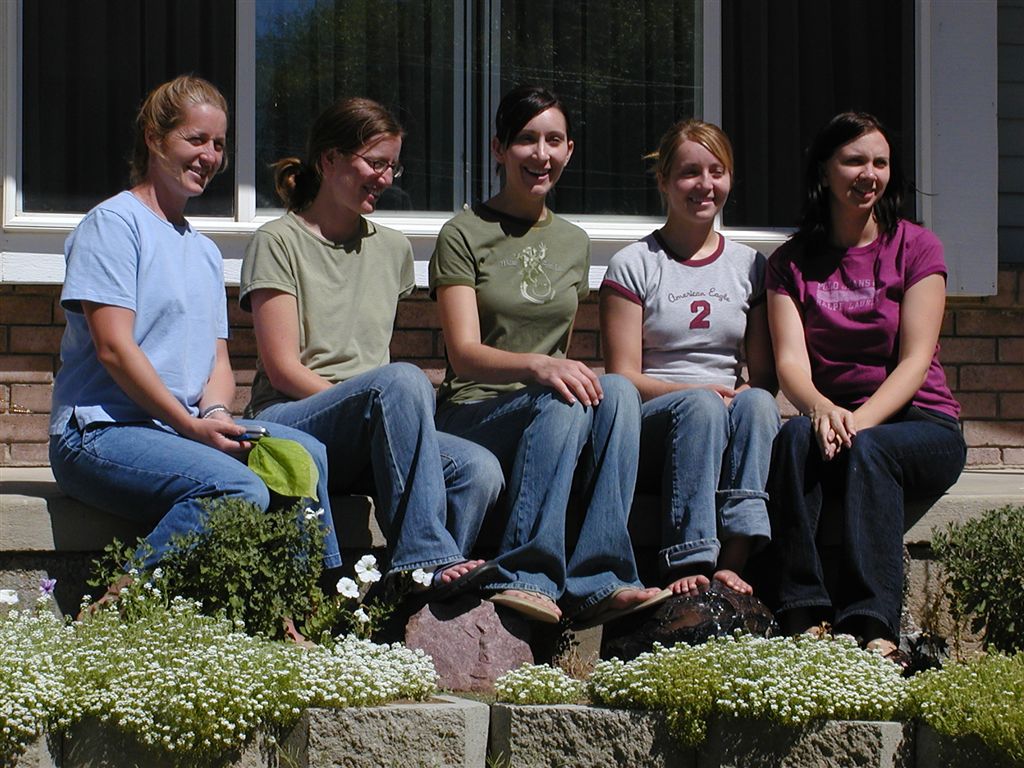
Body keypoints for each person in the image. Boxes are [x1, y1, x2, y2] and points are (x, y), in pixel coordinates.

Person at [49, 76, 339, 593]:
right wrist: (188, 424)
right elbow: (114, 348)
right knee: (236, 488)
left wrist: (217, 415)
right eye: (196, 139)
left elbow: (218, 361)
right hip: (97, 432)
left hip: (174, 428)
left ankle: (296, 603)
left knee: (307, 453)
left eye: (219, 144)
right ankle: (123, 603)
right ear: (155, 139)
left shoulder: (204, 251)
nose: (210, 155)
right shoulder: (114, 225)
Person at [240, 97, 503, 595]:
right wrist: (371, 406)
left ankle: (418, 599)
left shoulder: (393, 248)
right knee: (401, 381)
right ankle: (425, 558)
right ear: (329, 160)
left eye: (392, 165)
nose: (386, 178)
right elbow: (281, 370)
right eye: (375, 163)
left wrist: (379, 411)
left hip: (371, 421)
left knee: (478, 469)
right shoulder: (277, 241)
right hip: (288, 419)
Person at [429, 84, 670, 626]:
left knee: (622, 390)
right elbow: (464, 355)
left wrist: (556, 375)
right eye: (526, 140)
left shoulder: (573, 241)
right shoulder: (462, 234)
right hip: (474, 414)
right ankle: (529, 574)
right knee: (563, 398)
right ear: (498, 149)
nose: (541, 154)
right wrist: (539, 365)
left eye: (554, 140)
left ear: (569, 151)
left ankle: (602, 579)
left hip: (550, 417)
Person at [763, 111, 967, 665]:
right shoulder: (789, 263)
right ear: (825, 169)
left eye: (880, 162)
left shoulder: (917, 248)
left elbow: (915, 361)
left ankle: (874, 627)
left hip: (921, 426)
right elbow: (790, 366)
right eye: (854, 160)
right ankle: (801, 612)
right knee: (791, 442)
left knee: (871, 450)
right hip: (841, 424)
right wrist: (824, 410)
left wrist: (857, 422)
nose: (869, 173)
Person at [600, 119, 780, 598]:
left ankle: (735, 557)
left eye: (716, 172)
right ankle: (688, 558)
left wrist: (738, 395)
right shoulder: (634, 264)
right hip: (655, 419)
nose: (705, 185)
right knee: (700, 409)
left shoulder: (749, 266)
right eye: (689, 173)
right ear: (663, 181)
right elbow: (623, 376)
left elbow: (762, 376)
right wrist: (694, 393)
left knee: (760, 405)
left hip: (722, 407)